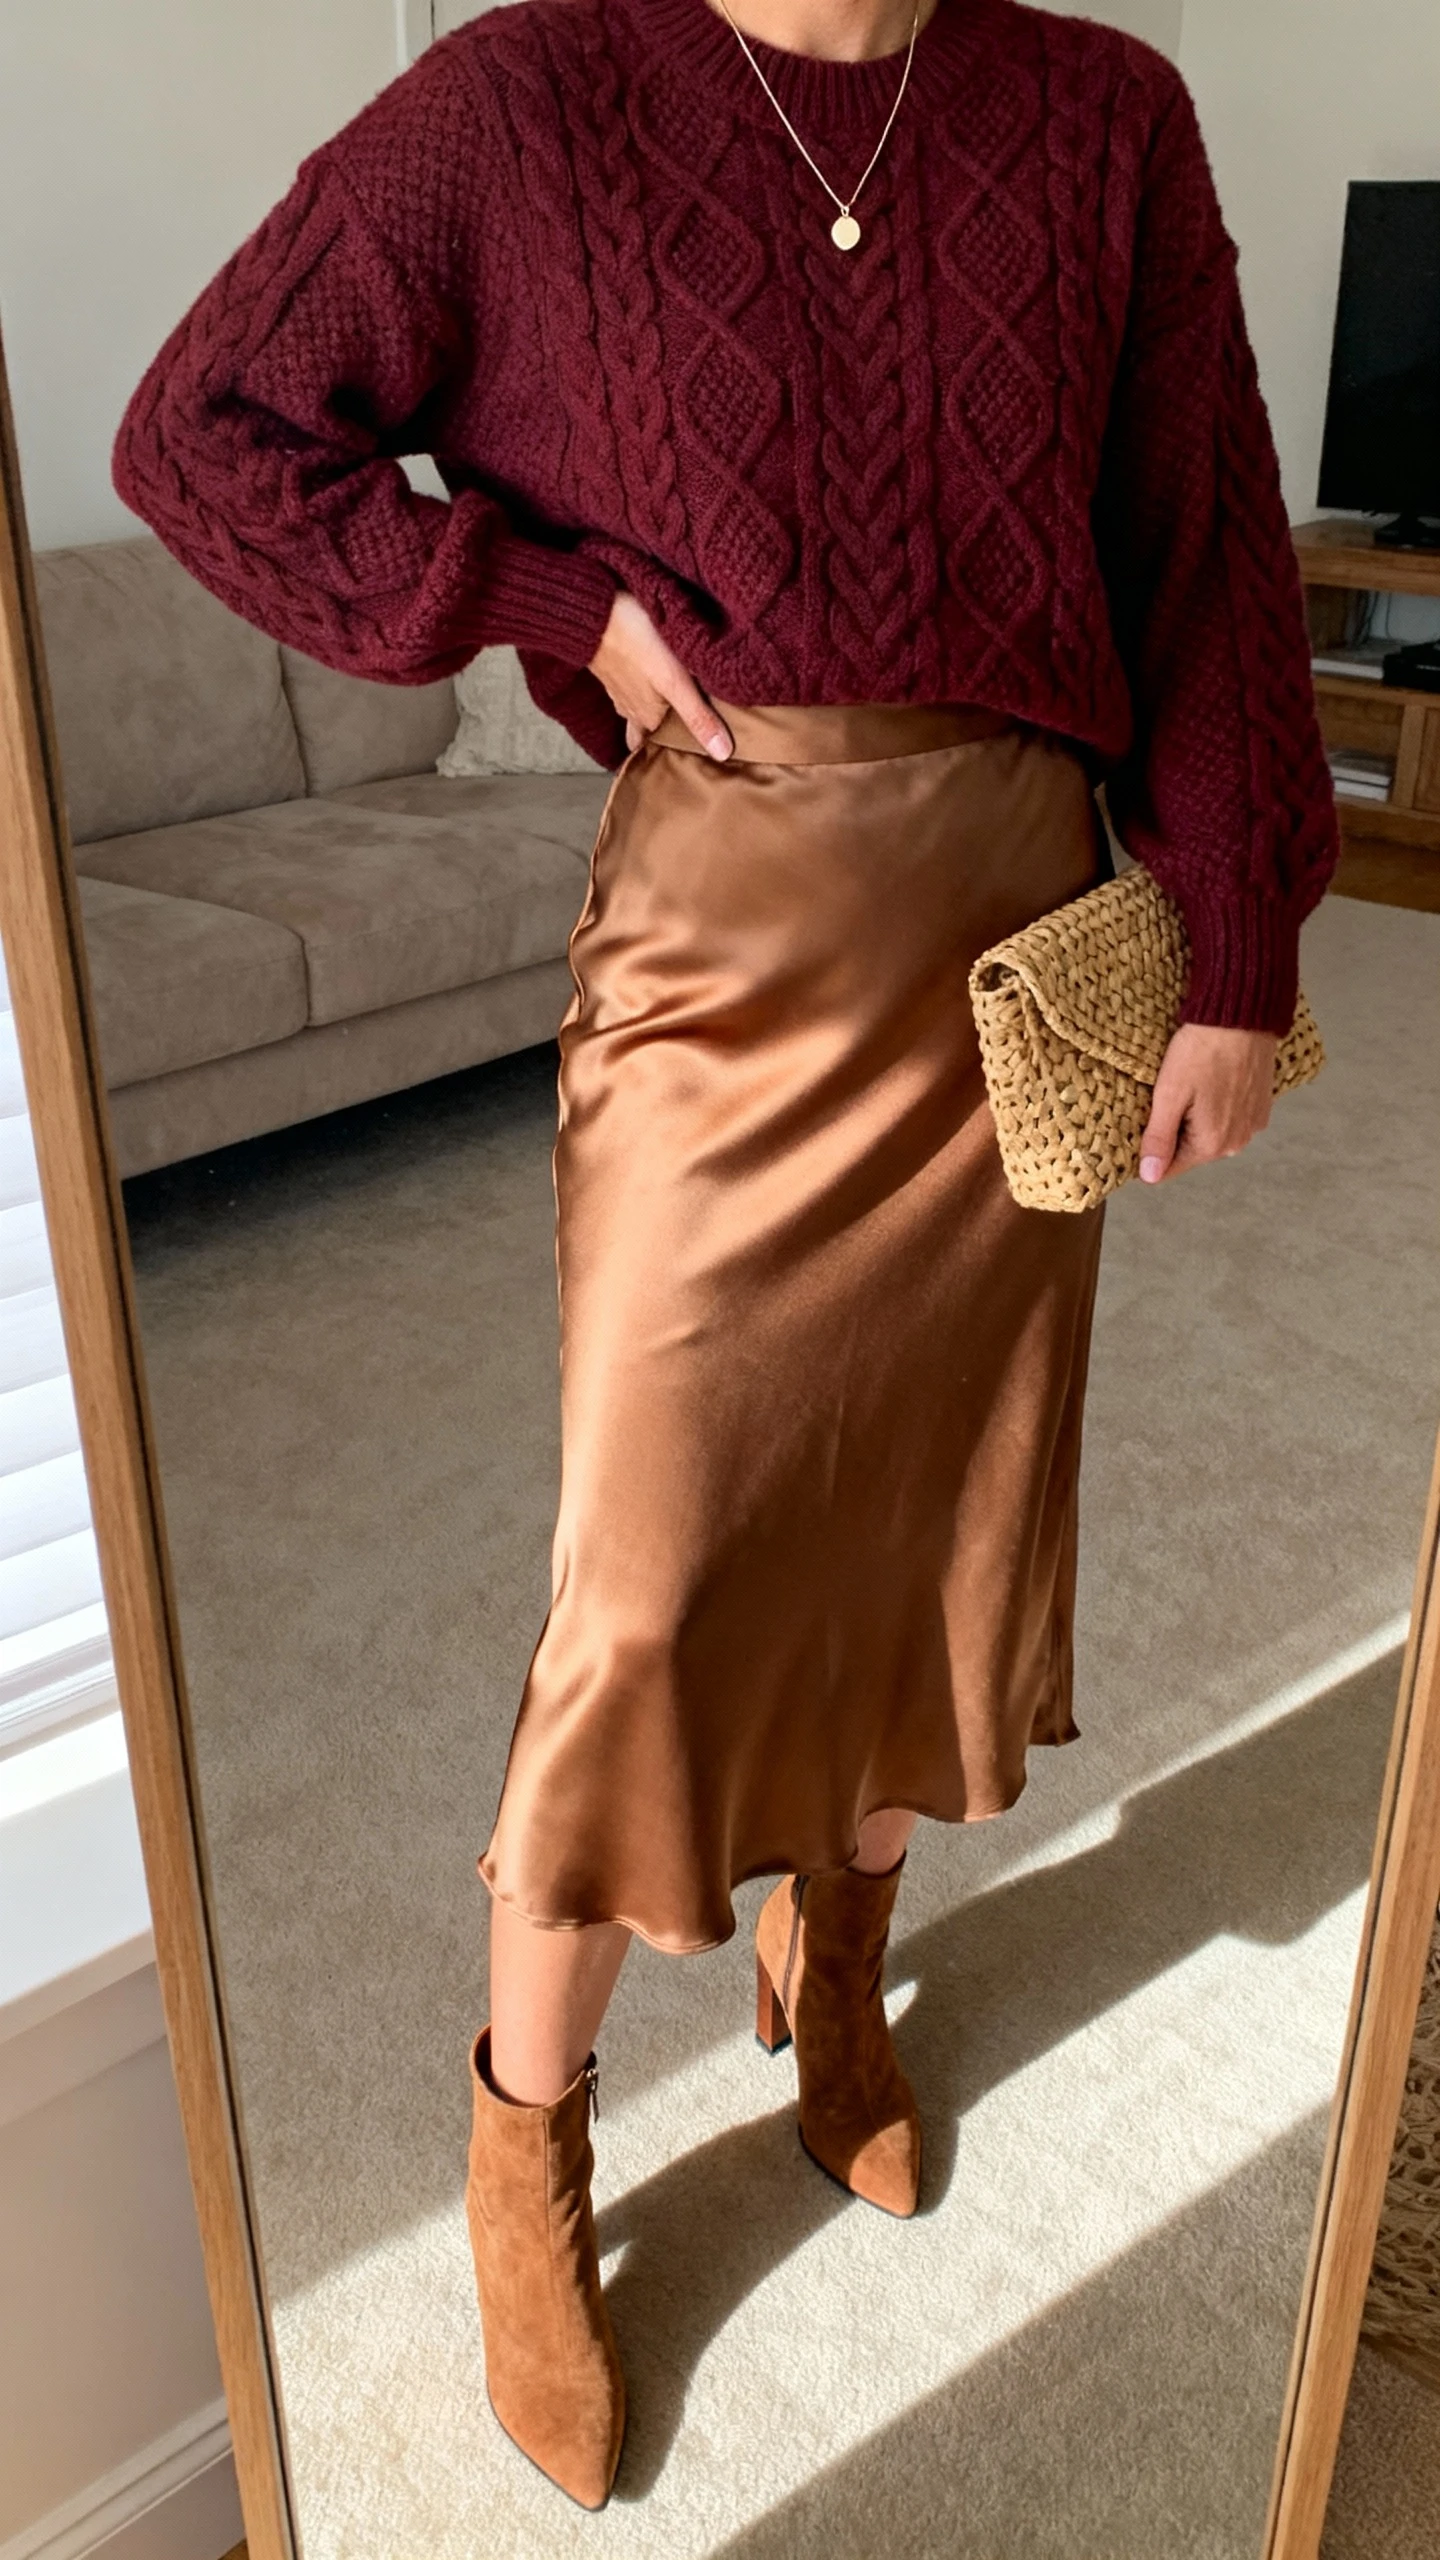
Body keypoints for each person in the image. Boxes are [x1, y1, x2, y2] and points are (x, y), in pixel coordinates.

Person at [113, 0, 1337, 2510]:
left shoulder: (1105, 111)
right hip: (719, 957)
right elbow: (205, 431)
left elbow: (1203, 533)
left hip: (1010, 945)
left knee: (927, 1530)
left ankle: (841, 1976)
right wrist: (538, 588)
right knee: (650, 1581)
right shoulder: (527, 99)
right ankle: (521, 2143)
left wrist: (1236, 940)